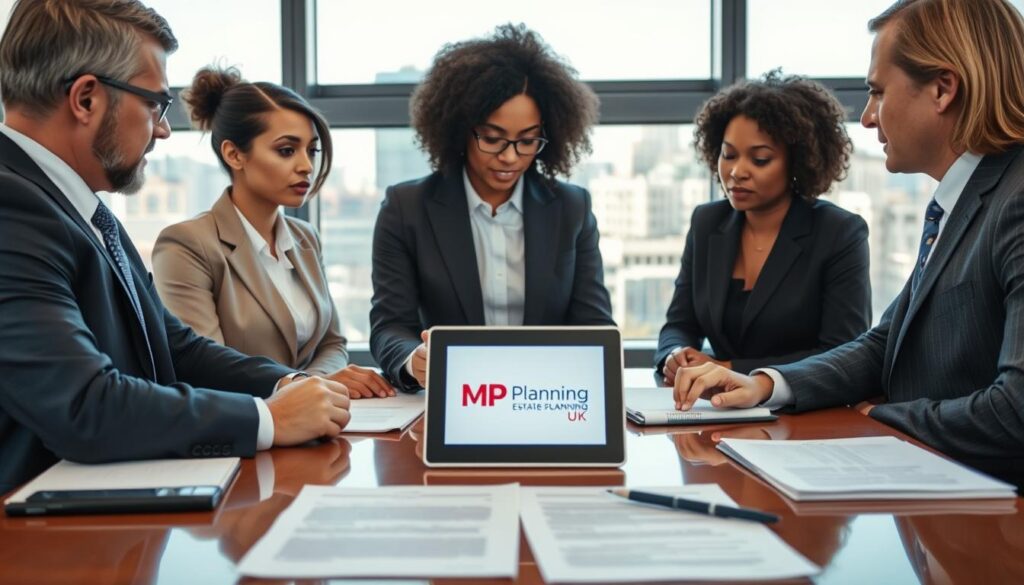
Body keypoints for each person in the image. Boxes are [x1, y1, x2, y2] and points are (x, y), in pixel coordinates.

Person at [0, 0, 350, 494]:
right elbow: (84, 405)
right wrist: (266, 419)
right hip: (40, 546)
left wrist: (282, 384)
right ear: (85, 99)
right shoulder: (12, 207)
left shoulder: (84, 209)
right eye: (154, 105)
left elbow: (175, 345)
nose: (164, 129)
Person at [673, 0, 1024, 485]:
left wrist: (879, 418)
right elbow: (886, 344)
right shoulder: (961, 200)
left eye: (878, 93)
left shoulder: (1016, 200)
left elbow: (1015, 412)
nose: (867, 118)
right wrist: (765, 384)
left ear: (943, 89)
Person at [370, 24, 615, 392]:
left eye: (527, 141)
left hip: (544, 395)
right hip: (450, 396)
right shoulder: (407, 209)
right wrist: (413, 360)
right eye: (493, 138)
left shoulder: (572, 208)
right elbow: (390, 325)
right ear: (460, 129)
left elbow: (595, 326)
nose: (510, 157)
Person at [152, 67, 393, 399]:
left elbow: (333, 342)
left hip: (319, 421)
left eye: (312, 150)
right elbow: (202, 367)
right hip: (244, 431)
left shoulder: (305, 238)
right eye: (286, 150)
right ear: (234, 154)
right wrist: (304, 386)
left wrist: (314, 388)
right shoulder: (187, 244)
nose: (306, 166)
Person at [656, 72, 870, 383]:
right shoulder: (706, 223)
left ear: (797, 162)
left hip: (806, 415)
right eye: (728, 155)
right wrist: (676, 354)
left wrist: (728, 369)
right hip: (715, 411)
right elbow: (679, 323)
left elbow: (842, 353)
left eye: (760, 159)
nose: (737, 171)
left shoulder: (840, 233)